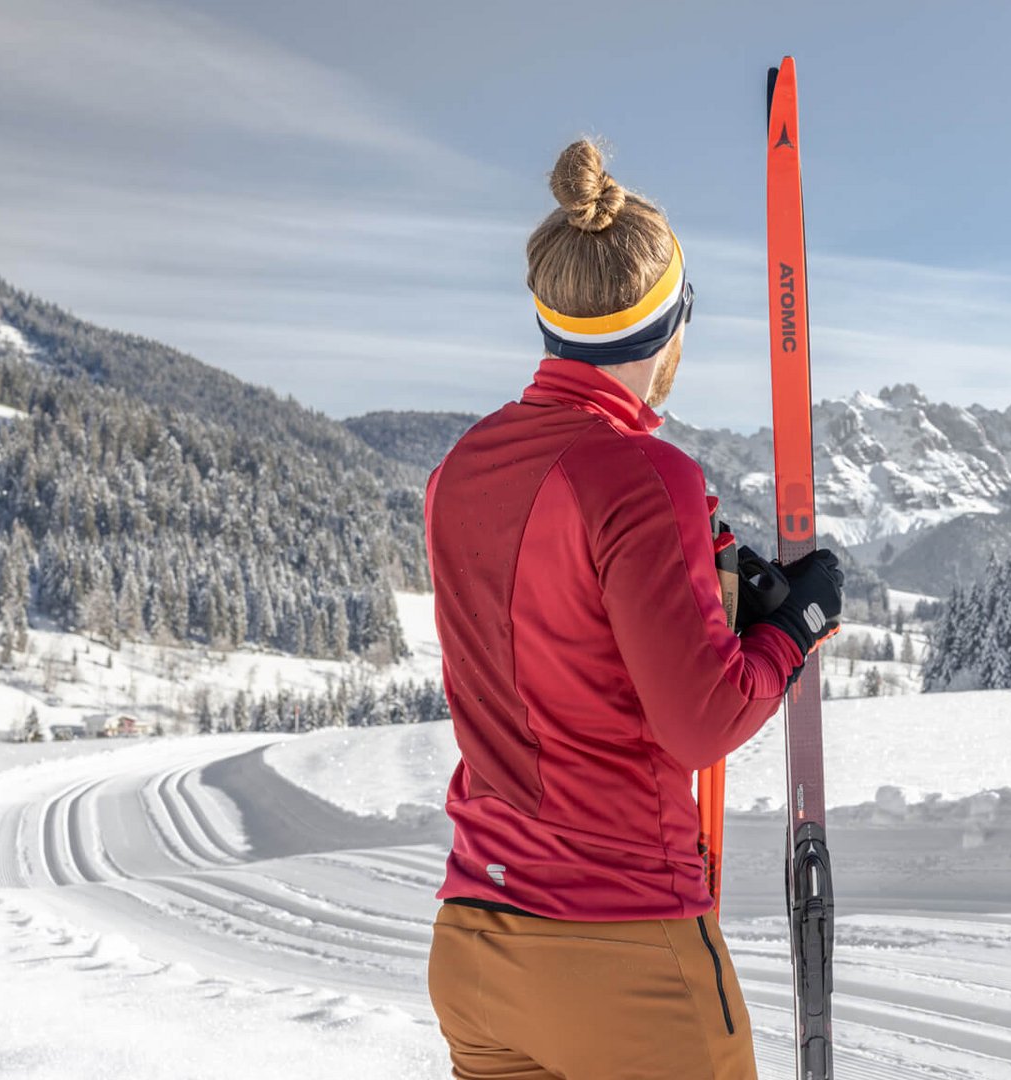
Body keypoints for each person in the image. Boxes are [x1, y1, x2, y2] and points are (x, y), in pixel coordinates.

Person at [424, 138, 844, 1080]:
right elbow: (702, 721)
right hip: (619, 953)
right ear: (673, 323)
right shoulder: (643, 474)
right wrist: (794, 629)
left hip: (474, 942)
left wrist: (712, 610)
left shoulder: (458, 470)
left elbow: (557, 645)